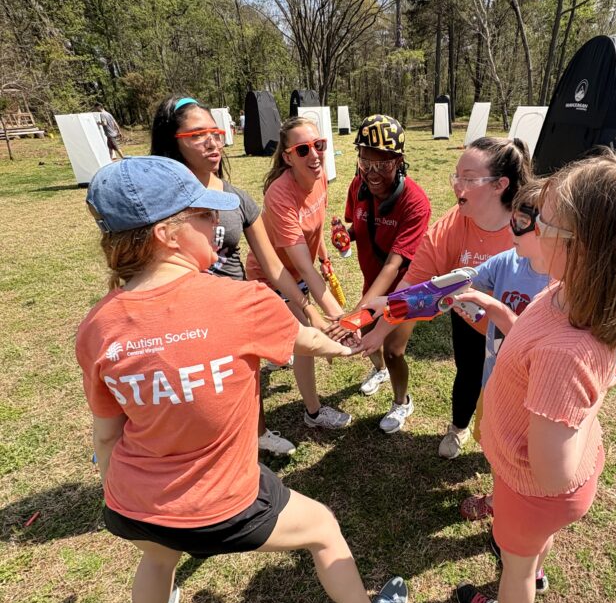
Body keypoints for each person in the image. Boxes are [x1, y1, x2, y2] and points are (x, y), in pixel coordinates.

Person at [76, 155, 408, 603]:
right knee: (322, 527)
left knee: (158, 557)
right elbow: (306, 339)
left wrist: (122, 495)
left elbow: (105, 438)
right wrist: (347, 349)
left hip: (131, 505)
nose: (220, 224)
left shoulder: (96, 326)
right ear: (166, 233)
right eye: (205, 215)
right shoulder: (242, 301)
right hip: (224, 507)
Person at [456, 152, 616, 603]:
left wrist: (585, 406)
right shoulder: (565, 291)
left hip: (533, 490)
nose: (529, 225)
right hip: (531, 485)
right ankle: (534, 566)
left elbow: (554, 473)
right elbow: (526, 347)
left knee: (512, 565)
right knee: (531, 549)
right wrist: (493, 307)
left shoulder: (566, 350)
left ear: (585, 249)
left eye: (544, 221)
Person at [150, 95, 327, 456]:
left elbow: (275, 268)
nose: (213, 141)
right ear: (173, 140)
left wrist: (309, 312)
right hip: (183, 314)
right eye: (198, 134)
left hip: (231, 310)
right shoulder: (159, 202)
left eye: (214, 131)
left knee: (247, 376)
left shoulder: (237, 198)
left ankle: (258, 434)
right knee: (201, 393)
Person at [362, 137, 531, 457]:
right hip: (469, 320)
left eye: (468, 179)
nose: (457, 186)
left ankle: (509, 449)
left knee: (513, 391)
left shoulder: (527, 228)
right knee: (468, 374)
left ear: (500, 185)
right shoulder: (450, 226)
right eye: (457, 176)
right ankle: (458, 428)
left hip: (517, 329)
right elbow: (413, 285)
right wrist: (380, 332)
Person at [246, 117, 352, 430]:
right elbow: (298, 268)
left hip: (300, 267)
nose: (315, 155)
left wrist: (324, 257)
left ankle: (285, 345)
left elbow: (314, 229)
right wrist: (341, 318)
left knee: (304, 331)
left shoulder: (318, 177)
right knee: (307, 334)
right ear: (288, 156)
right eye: (303, 149)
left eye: (319, 145)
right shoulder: (280, 195)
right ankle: (314, 413)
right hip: (271, 275)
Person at [454, 179, 551, 520]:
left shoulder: (558, 285)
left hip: (530, 395)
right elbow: (467, 279)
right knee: (493, 444)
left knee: (518, 459)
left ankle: (499, 504)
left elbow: (534, 344)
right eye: (514, 216)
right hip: (493, 378)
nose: (511, 227)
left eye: (521, 223)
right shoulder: (509, 261)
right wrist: (435, 291)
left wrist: (493, 308)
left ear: (548, 228)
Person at [339, 114, 431, 433]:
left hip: (405, 289)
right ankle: (377, 371)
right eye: (366, 160)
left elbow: (394, 265)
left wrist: (355, 314)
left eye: (383, 163)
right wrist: (346, 235)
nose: (373, 172)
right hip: (372, 282)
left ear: (399, 160)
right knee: (368, 338)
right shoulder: (358, 185)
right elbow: (359, 225)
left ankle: (402, 401)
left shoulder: (415, 202)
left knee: (393, 350)